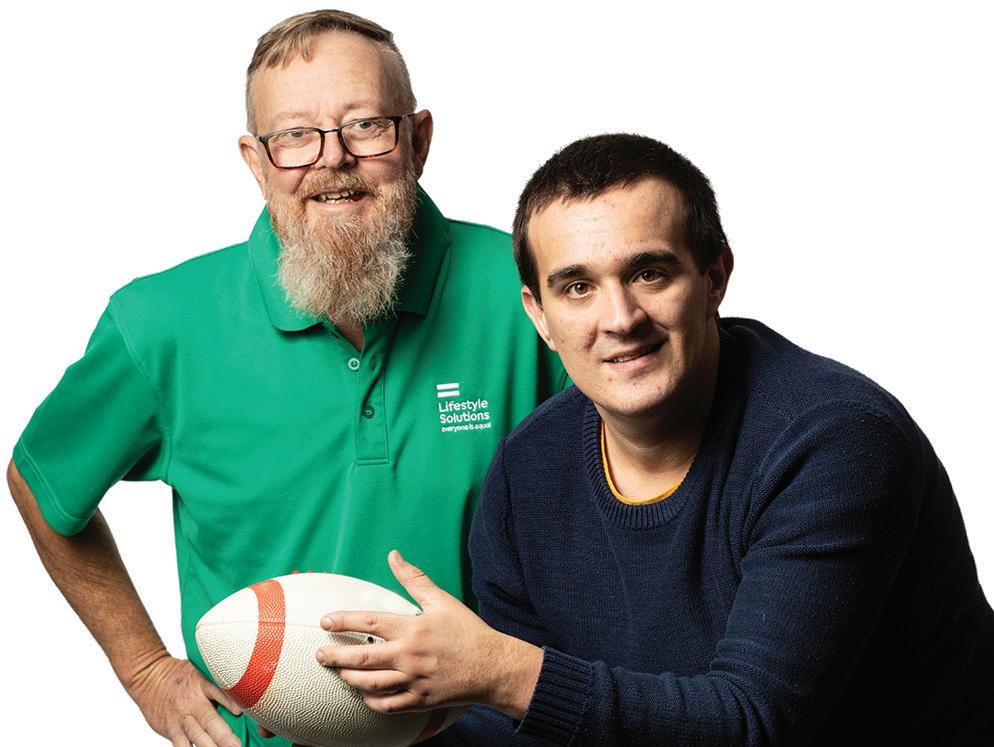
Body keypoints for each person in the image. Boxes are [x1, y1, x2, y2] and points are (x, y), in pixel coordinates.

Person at [315, 134, 994, 744]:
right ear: (539, 315)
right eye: (576, 287)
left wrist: (501, 671)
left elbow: (755, 721)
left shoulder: (836, 443)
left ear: (714, 276)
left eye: (649, 273)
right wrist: (359, 729)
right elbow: (531, 726)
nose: (620, 318)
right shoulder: (530, 469)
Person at [6, 10, 564, 747]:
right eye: (295, 135)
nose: (333, 160)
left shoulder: (531, 290)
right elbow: (41, 483)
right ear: (256, 160)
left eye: (366, 125)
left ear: (419, 140)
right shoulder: (161, 323)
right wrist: (145, 670)